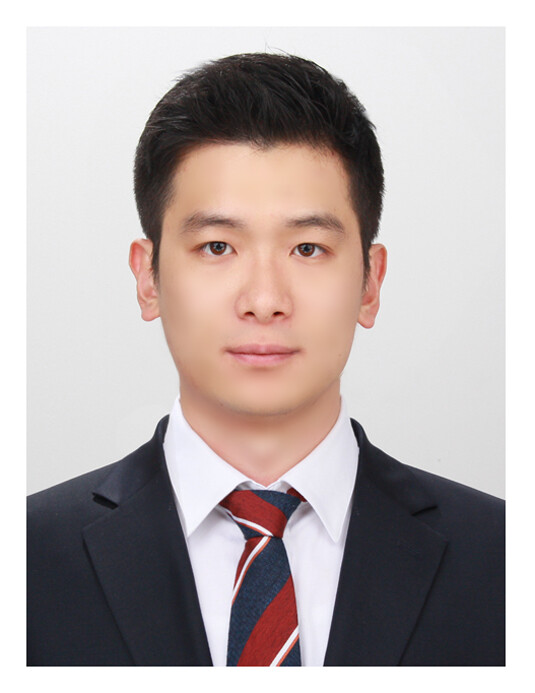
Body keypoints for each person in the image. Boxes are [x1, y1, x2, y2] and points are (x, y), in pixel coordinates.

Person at [27, 52, 504, 666]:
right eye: (216, 246)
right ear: (148, 279)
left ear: (370, 283)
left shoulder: (504, 559)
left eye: (307, 248)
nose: (264, 300)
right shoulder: (26, 558)